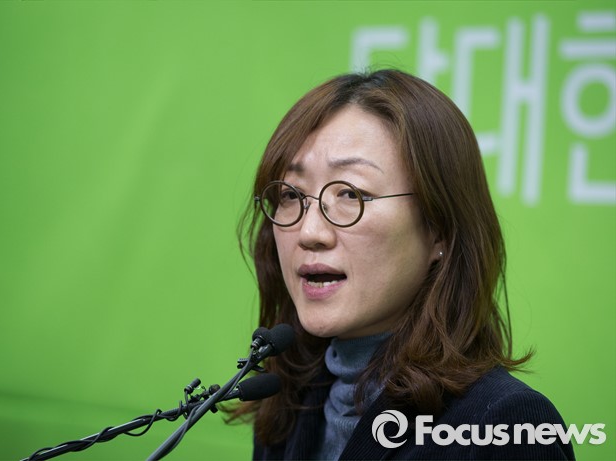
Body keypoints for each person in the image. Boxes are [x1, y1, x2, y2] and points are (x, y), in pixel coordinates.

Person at [230, 69, 575, 460]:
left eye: (351, 193)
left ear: (439, 229)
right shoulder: (287, 407)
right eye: (291, 194)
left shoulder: (505, 427)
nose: (309, 231)